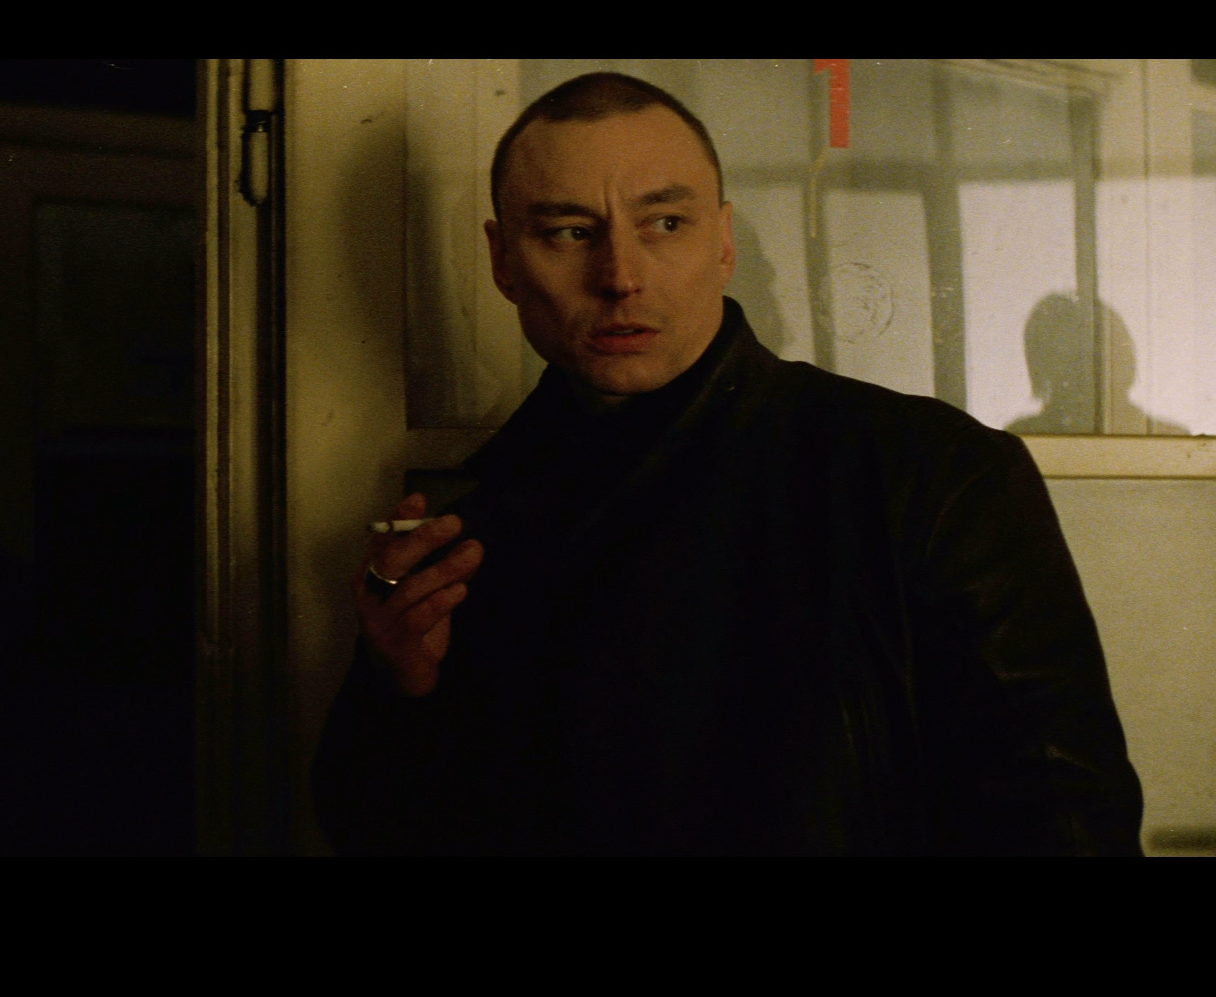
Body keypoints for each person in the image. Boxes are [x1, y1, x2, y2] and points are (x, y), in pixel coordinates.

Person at [312, 72, 1144, 855]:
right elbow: (380, 830)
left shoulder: (925, 473)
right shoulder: (473, 518)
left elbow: (1065, 820)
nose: (620, 277)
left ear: (722, 241)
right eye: (569, 232)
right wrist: (398, 690)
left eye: (665, 224)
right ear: (503, 262)